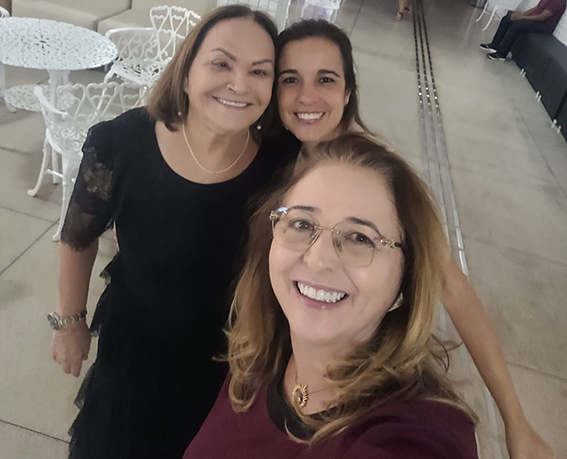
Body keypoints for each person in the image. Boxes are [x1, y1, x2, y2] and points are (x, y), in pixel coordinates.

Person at [271, 19, 557, 459]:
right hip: (283, 367)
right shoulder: (278, 158)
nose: (307, 96)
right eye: (291, 80)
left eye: (326, 79)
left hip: (349, 384)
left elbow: (454, 291)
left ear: (348, 91)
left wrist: (515, 420)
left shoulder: (382, 182)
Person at [50, 6, 290, 459]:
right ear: (186, 69)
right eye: (221, 63)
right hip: (135, 350)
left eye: (260, 72)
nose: (240, 84)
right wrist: (69, 321)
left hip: (232, 364)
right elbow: (78, 235)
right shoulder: (120, 143)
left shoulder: (283, 165)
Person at [184, 133, 480, 458]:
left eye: (360, 238)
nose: (319, 259)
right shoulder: (259, 357)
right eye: (302, 224)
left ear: (408, 278)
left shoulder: (416, 435)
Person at [480, 0, 567, 61]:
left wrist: (522, 18)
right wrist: (521, 14)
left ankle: (501, 54)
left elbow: (542, 17)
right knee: (507, 18)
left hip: (542, 26)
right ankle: (495, 44)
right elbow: (536, 8)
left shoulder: (558, 1)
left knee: (516, 25)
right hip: (535, 21)